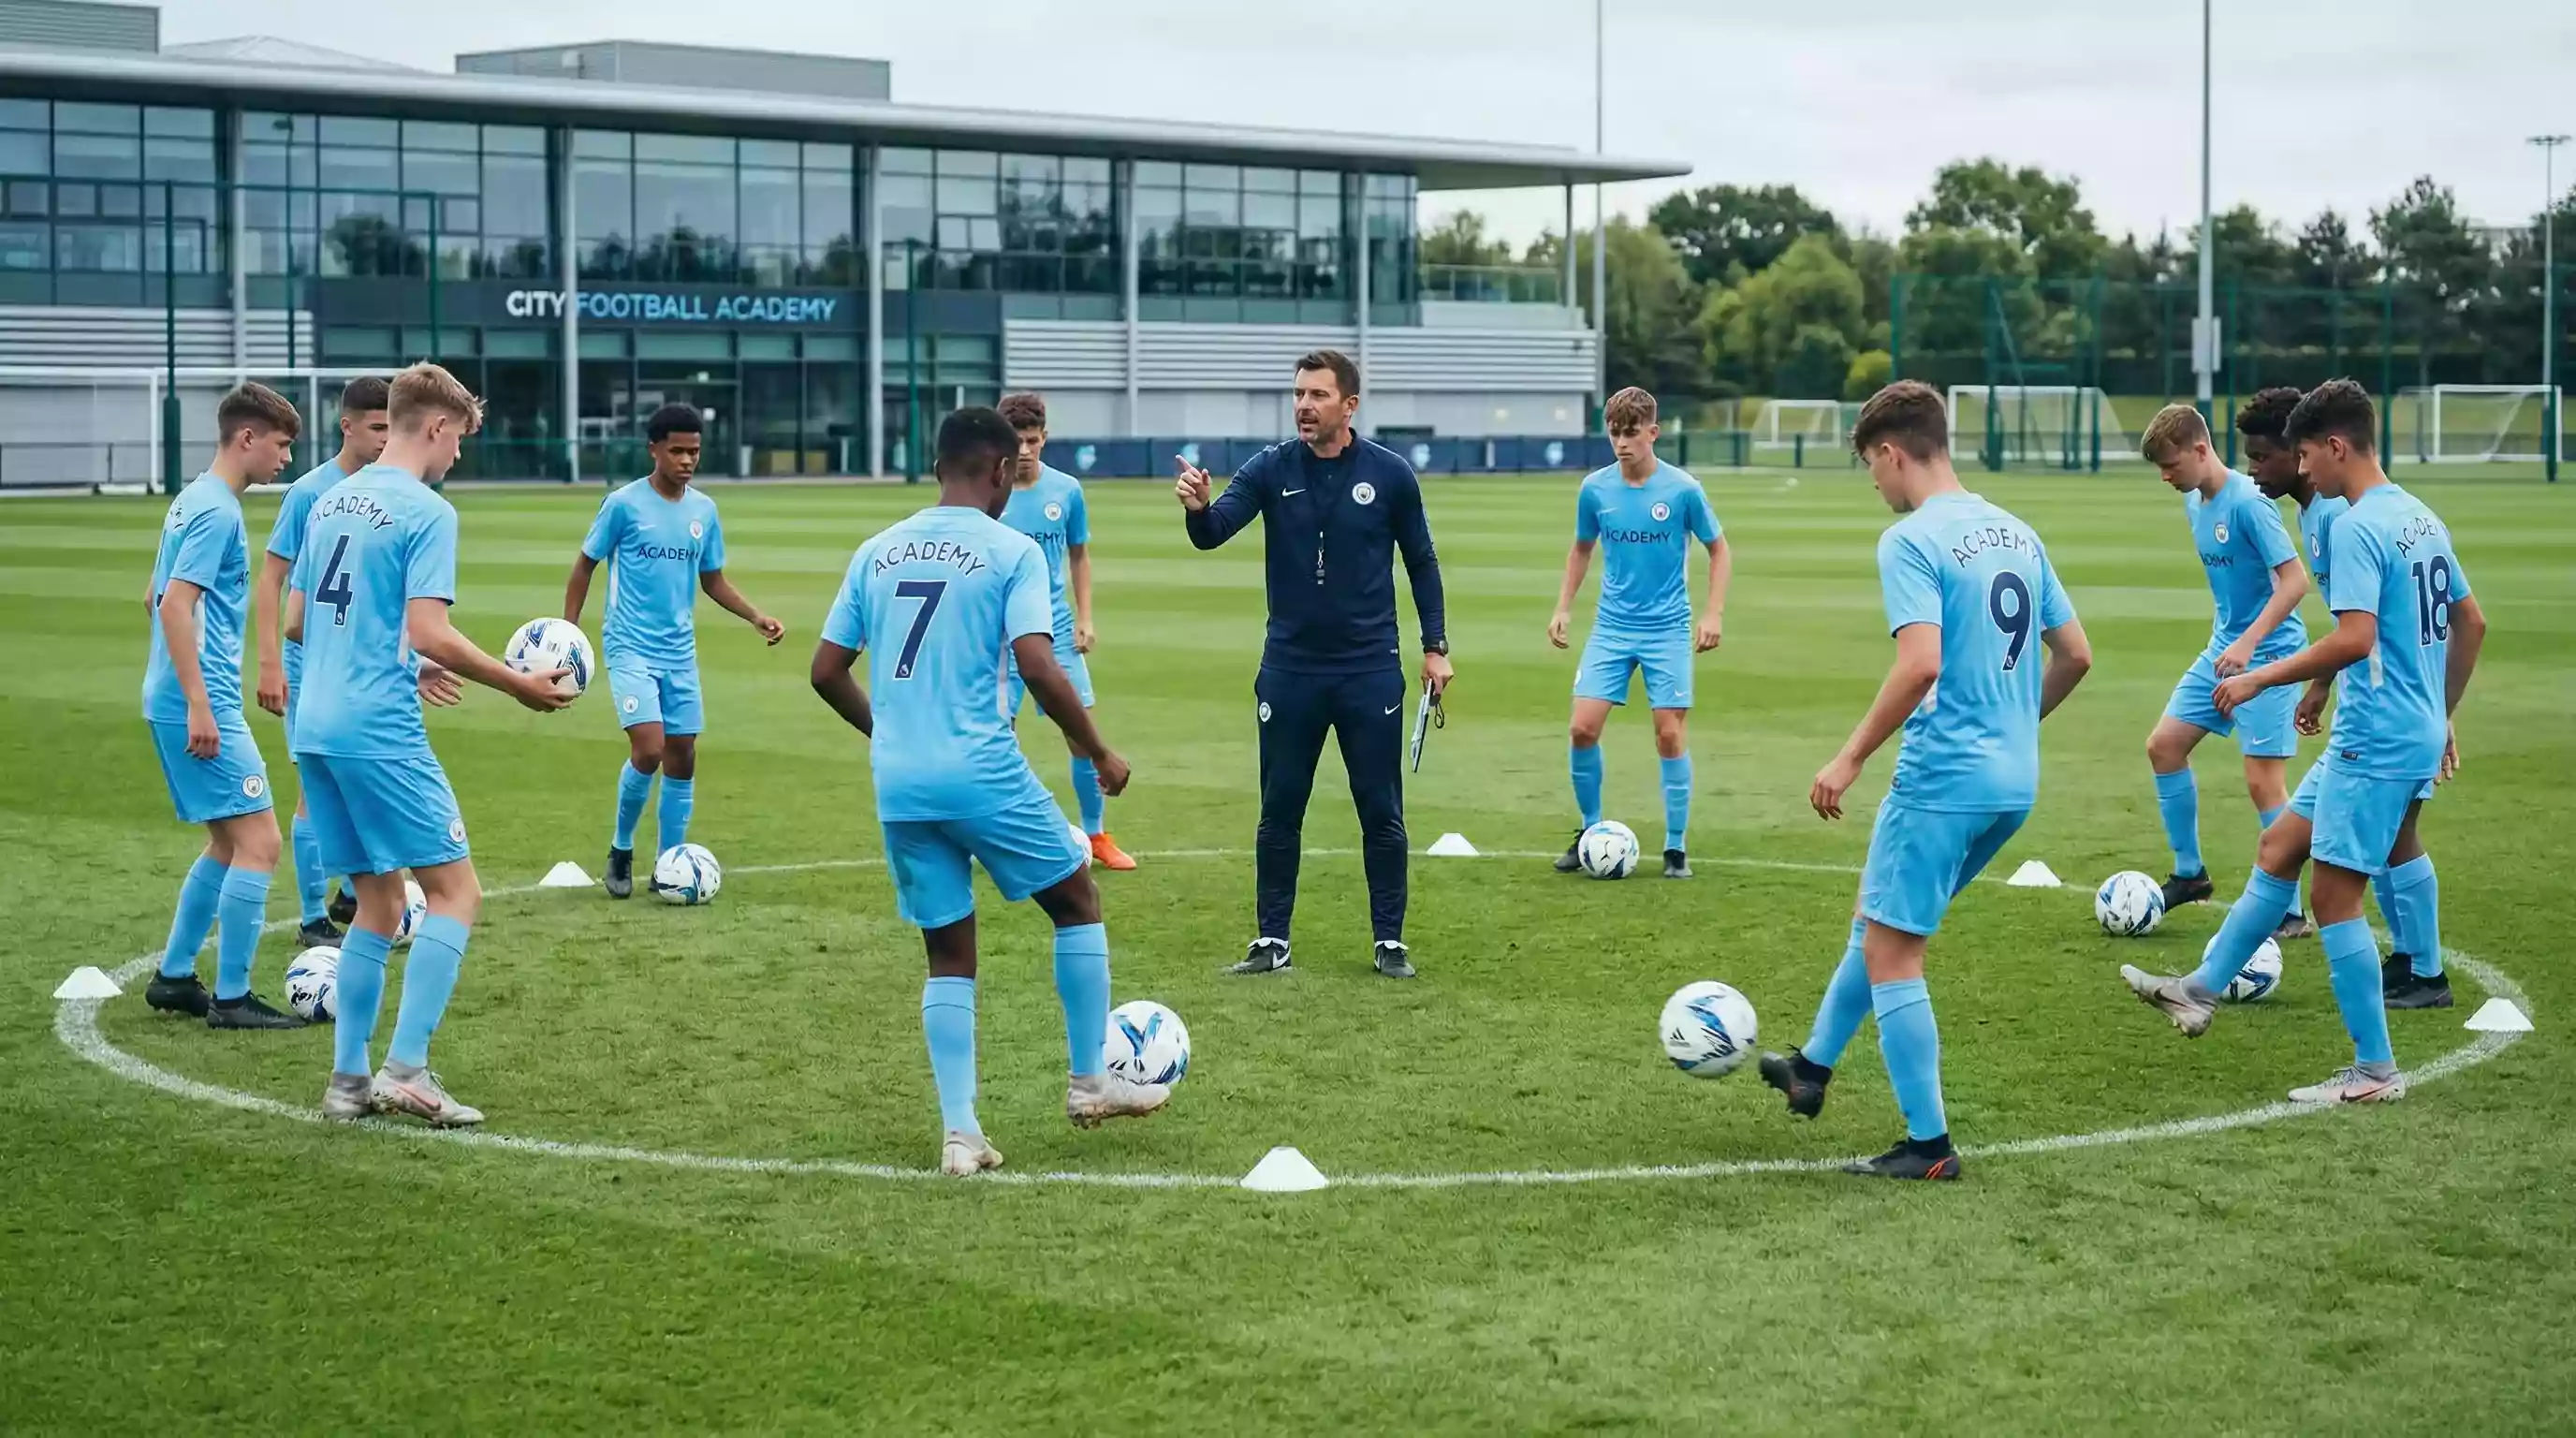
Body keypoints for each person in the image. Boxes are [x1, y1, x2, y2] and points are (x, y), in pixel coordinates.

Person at [808, 406, 1165, 1177]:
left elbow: (825, 672)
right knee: (1075, 898)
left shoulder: (876, 551)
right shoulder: (1010, 551)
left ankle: (962, 1134)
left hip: (900, 783)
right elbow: (1038, 663)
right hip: (980, 769)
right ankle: (1089, 1082)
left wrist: (894, 734)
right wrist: (1097, 749)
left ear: (939, 465)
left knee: (949, 951)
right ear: (1002, 471)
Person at [1757, 382, 2091, 1180]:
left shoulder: (1911, 541)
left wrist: (1850, 757)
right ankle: (1812, 1067)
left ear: (1891, 452)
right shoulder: (2015, 530)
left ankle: (1930, 1146)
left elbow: (1921, 664)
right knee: (1879, 922)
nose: (1874, 483)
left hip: (1942, 778)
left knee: (1896, 953)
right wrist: (2012, 725)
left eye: (1870, 466)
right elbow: (2075, 653)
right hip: (2013, 782)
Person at [2123, 380, 2485, 1100]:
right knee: (2279, 846)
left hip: (2377, 734)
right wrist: (2439, 714)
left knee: (2334, 896)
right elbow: (2470, 623)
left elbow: (2355, 638)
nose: (2302, 467)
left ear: (2336, 446)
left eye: (2309, 452)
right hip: (2398, 725)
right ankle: (2197, 989)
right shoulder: (2418, 515)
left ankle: (2374, 1071)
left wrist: (2264, 679)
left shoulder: (2353, 525)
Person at [288, 363, 574, 1127]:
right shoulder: (426, 510)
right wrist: (516, 685)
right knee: (456, 893)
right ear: (437, 428)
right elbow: (430, 629)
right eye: (460, 444)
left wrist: (396, 657)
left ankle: (347, 1085)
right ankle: (407, 1071)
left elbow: (296, 622)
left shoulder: (327, 501)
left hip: (313, 725)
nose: (457, 461)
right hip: (376, 729)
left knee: (378, 904)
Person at [1176, 349, 1452, 979]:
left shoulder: (1390, 474)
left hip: (1368, 670)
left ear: (1348, 405)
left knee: (1380, 810)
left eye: (1318, 395)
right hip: (1290, 670)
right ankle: (1272, 939)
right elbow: (1215, 531)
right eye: (1299, 393)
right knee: (1280, 809)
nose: (1304, 404)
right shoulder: (1271, 468)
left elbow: (1422, 561)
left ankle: (1389, 941)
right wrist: (1197, 507)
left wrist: (1435, 646)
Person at [2242, 388, 2449, 1007]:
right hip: (2408, 706)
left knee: (2347, 873)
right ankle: (2418, 965)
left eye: (2270, 457)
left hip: (2382, 716)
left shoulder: (2342, 516)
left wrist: (2272, 677)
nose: (2260, 471)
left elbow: (2357, 634)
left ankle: (2406, 999)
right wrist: (2322, 686)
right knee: (2391, 836)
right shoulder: (2344, 510)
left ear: (2314, 450)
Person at [564, 404, 783, 899]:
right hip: (629, 646)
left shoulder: (703, 511)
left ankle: (671, 861)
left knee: (683, 754)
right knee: (649, 748)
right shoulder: (622, 504)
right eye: (678, 450)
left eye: (695, 451)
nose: (687, 460)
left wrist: (754, 615)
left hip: (679, 652)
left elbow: (712, 580)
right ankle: (621, 849)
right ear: (654, 450)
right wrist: (569, 633)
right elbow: (584, 566)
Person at [140, 383, 308, 1030]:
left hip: (171, 694)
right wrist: (199, 702)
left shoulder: (190, 499)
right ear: (247, 438)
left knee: (226, 842)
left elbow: (153, 592)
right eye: (281, 444)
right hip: (195, 702)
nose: (285, 459)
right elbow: (174, 604)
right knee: (262, 842)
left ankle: (176, 976)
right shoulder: (218, 513)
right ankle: (233, 999)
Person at [2135, 404, 2313, 937]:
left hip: (2271, 656)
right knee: (2163, 746)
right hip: (2223, 651)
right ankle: (2190, 876)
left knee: (2264, 782)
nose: (2166, 477)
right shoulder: (2195, 503)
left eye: (2171, 465)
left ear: (2199, 449)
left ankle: (2290, 911)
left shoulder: (2250, 504)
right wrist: (2230, 642)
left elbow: (2295, 582)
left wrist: (2249, 644)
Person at [1546, 387, 1729, 879]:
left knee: (1669, 734)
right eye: (1614, 433)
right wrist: (1563, 607)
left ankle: (1675, 847)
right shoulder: (1595, 489)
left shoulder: (1682, 489)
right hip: (1611, 626)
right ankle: (1589, 831)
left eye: (1632, 433)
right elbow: (1582, 548)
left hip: (1667, 629)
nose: (1622, 443)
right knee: (1582, 727)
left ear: (1654, 432)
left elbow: (1720, 550)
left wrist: (1712, 614)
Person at [254, 376, 391, 946]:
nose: (386, 439)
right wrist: (269, 665)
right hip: (311, 660)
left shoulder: (392, 490)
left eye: (393, 427)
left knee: (366, 776)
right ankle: (312, 918)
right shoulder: (309, 492)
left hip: (366, 662)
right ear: (348, 426)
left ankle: (352, 894)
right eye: (377, 427)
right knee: (316, 786)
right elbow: (272, 579)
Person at [997, 391, 1135, 870]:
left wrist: (1085, 617)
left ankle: (1096, 836)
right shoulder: (986, 495)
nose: (1025, 451)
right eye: (1016, 442)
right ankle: (1002, 834)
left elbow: (1079, 555)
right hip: (1000, 639)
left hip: (1054, 633)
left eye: (1033, 441)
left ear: (1045, 438)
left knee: (1081, 734)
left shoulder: (1066, 491)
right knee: (998, 737)